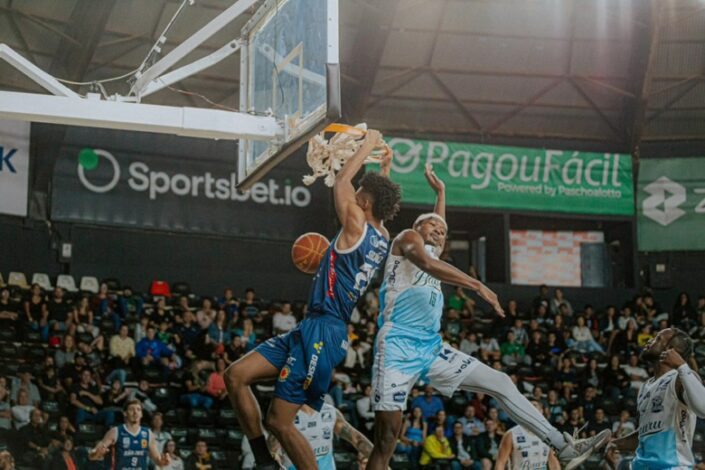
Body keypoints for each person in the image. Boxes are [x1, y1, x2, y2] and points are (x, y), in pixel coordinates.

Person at [367, 165, 610, 470]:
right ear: (418, 226)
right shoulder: (407, 239)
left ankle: (562, 446)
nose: (439, 231)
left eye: (443, 231)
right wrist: (478, 285)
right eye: (432, 226)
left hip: (430, 348)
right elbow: (428, 261)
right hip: (396, 347)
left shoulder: (434, 249)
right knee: (387, 440)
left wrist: (441, 193)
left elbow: (437, 239)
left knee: (501, 381)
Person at [224, 130, 400, 470]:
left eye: (360, 194)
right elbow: (379, 199)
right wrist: (385, 168)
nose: (355, 193)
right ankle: (264, 460)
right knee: (235, 376)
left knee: (279, 421)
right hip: (313, 327)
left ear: (364, 204)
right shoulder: (382, 234)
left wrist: (366, 145)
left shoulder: (356, 223)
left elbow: (342, 181)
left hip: (324, 330)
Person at [610, 328, 705, 469]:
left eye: (657, 339)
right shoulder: (645, 387)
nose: (650, 340)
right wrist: (613, 444)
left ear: (671, 349)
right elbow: (645, 435)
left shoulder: (680, 377)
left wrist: (682, 366)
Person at [268, 402, 373, 470]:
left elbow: (357, 440)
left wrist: (383, 462)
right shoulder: (285, 416)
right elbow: (272, 452)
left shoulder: (330, 411)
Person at [89, 399, 169, 468]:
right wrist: (97, 454)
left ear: (141, 414)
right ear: (125, 413)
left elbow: (158, 461)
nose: (135, 412)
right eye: (131, 409)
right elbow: (91, 456)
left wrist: (164, 462)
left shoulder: (148, 433)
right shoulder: (115, 432)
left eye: (138, 409)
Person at [494, 400, 559, 470]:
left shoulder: (548, 434)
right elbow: (501, 463)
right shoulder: (511, 434)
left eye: (534, 406)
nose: (531, 409)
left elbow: (553, 462)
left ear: (541, 411)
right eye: (528, 407)